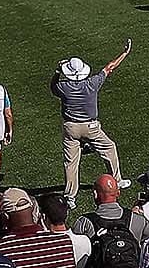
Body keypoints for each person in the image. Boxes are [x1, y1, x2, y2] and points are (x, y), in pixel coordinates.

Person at [52, 43, 130, 202]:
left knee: (71, 163)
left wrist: (57, 71)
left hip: (71, 128)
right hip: (91, 127)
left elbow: (53, 86)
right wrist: (124, 53)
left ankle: (70, 196)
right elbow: (110, 67)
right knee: (109, 147)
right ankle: (117, 181)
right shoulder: (93, 83)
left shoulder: (63, 87)